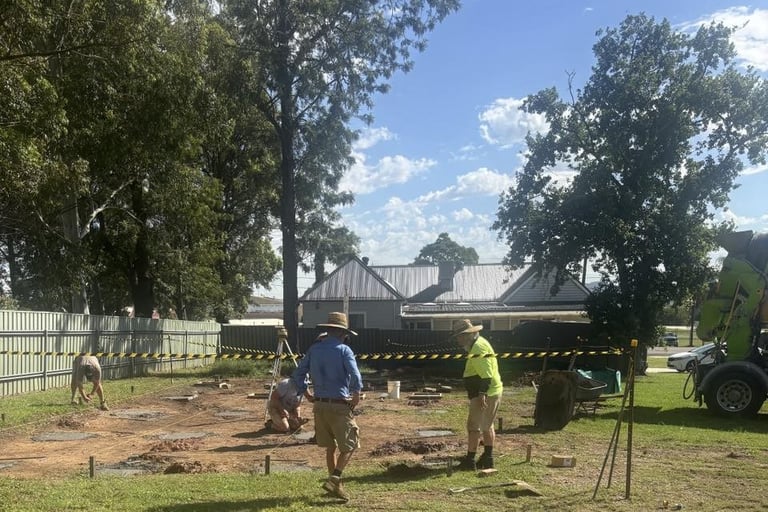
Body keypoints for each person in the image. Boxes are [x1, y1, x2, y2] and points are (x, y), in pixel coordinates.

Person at [292, 312, 362, 502]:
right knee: (350, 445)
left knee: (329, 447)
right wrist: (356, 395)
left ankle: (334, 487)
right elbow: (355, 375)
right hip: (339, 405)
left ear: (328, 330)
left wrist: (306, 394)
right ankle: (336, 477)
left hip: (320, 405)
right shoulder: (344, 350)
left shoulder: (314, 350)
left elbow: (297, 375)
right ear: (342, 333)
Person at [451, 319, 502, 470]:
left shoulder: (478, 348)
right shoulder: (479, 343)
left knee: (474, 427)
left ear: (468, 335)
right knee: (487, 425)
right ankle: (488, 457)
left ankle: (470, 461)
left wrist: (481, 395)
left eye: (459, 336)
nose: (458, 340)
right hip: (492, 391)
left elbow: (486, 375)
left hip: (485, 393)